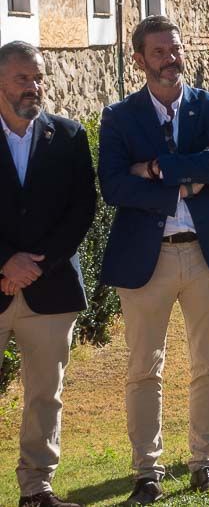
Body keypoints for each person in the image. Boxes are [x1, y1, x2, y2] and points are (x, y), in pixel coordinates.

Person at [98, 16, 209, 504]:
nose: (171, 60)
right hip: (148, 261)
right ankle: (147, 471)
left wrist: (159, 169)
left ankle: (205, 464)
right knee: (144, 367)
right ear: (139, 59)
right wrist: (186, 180)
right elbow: (114, 186)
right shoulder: (119, 118)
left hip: (208, 255)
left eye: (176, 50)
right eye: (160, 53)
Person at [0, 42, 96, 507]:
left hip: (50, 286)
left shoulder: (71, 136)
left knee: (45, 395)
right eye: (23, 78)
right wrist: (5, 263)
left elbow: (82, 211)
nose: (33, 87)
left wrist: (34, 266)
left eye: (38, 78)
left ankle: (37, 488)